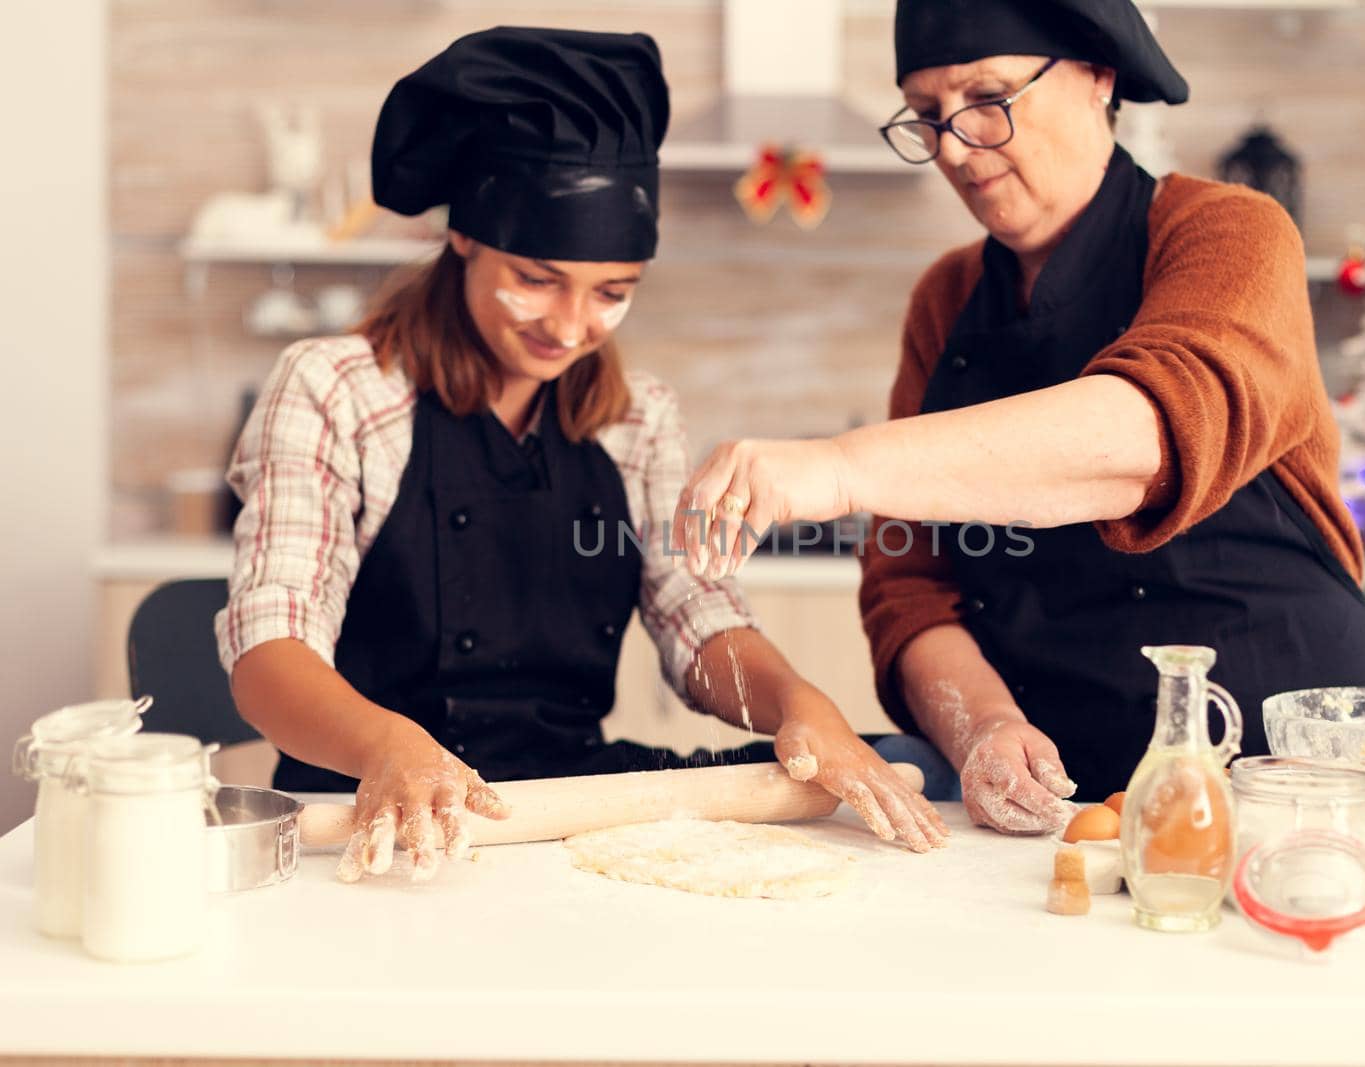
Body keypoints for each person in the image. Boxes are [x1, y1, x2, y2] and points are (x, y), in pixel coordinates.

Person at [217, 27, 945, 883]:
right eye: (536, 277)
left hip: (561, 817)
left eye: (612, 294)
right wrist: (390, 745)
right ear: (465, 239)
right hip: (365, 825)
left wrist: (798, 701)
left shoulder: (638, 418)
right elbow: (270, 652)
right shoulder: (337, 388)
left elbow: (695, 615)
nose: (569, 327)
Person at [674, 0, 1365, 834]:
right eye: (925, 114)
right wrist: (981, 724)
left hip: (1289, 774)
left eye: (987, 98)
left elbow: (1145, 437)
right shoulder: (945, 301)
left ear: (1097, 75)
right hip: (1053, 805)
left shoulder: (1228, 231)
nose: (951, 146)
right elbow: (910, 583)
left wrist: (837, 467)